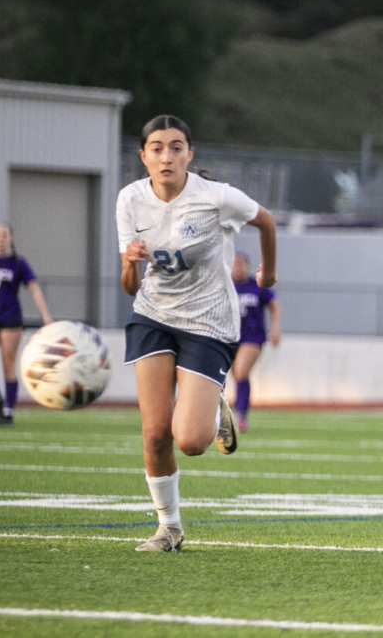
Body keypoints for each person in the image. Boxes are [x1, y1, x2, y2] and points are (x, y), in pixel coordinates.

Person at [117, 114, 277, 553]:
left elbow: (265, 221)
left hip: (209, 322)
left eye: (175, 147)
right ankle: (169, 528)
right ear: (143, 156)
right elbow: (129, 286)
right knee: (154, 434)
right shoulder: (130, 200)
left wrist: (269, 273)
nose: (165, 156)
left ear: (189, 154)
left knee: (189, 441)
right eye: (156, 148)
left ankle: (211, 407)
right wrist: (130, 262)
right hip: (152, 316)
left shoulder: (216, 197)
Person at [0, 222, 52, 426]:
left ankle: (8, 411)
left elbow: (34, 288)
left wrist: (46, 316)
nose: (0, 238)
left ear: (10, 238)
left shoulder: (18, 263)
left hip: (11, 319)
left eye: (4, 234)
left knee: (8, 366)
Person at [230, 251, 280, 433]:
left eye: (241, 264)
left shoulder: (256, 285)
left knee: (242, 372)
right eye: (234, 264)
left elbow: (274, 305)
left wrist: (275, 329)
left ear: (247, 266)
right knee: (236, 376)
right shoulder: (225, 285)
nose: (237, 267)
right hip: (229, 337)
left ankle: (241, 415)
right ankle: (238, 412)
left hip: (252, 337)